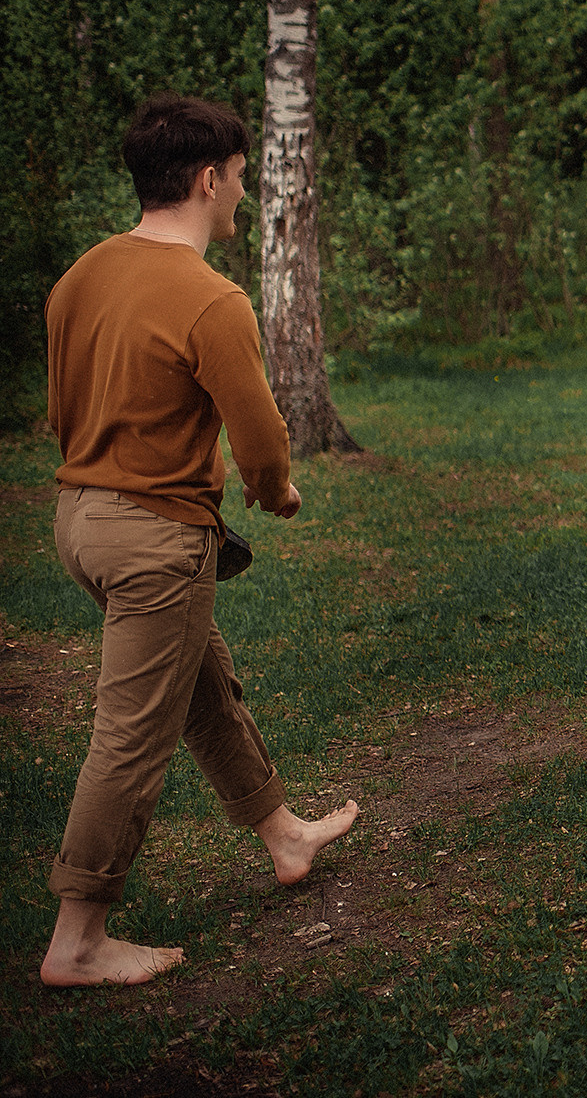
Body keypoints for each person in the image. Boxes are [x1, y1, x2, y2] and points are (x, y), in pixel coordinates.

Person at [39, 93, 359, 988]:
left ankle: (283, 833)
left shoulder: (80, 276)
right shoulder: (212, 300)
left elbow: (63, 409)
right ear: (209, 178)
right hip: (154, 538)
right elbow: (259, 440)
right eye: (242, 179)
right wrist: (275, 492)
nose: (244, 195)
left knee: (201, 687)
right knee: (130, 735)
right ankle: (78, 940)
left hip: (79, 519)